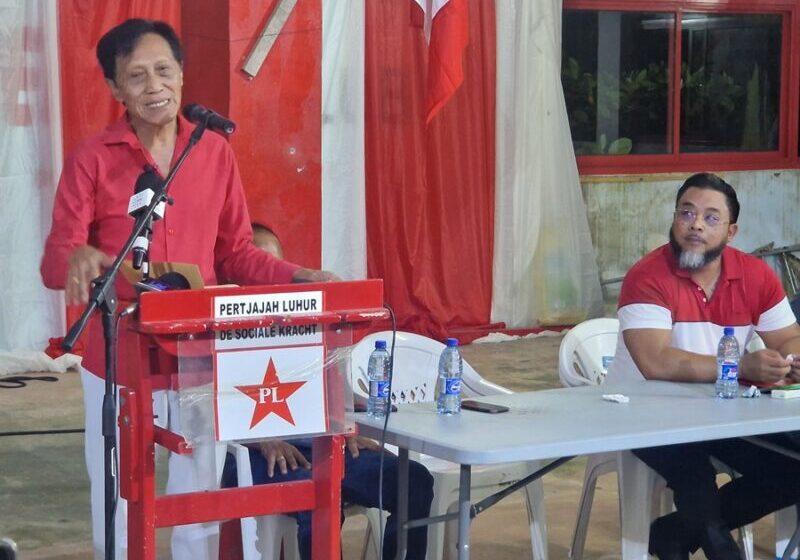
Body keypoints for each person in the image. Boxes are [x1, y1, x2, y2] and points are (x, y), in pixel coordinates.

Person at [40, 19, 334, 560]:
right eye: (137, 76)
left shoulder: (213, 151)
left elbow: (236, 253)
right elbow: (56, 262)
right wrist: (76, 256)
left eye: (164, 70)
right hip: (118, 359)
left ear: (181, 75)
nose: (154, 85)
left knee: (198, 506)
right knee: (117, 503)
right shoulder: (93, 158)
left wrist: (299, 276)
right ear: (115, 88)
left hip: (198, 353)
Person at [607, 172, 800, 559]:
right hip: (642, 413)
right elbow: (656, 362)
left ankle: (672, 534)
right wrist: (741, 366)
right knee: (696, 478)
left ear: (731, 231)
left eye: (711, 218)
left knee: (792, 468)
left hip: (722, 410)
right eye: (686, 213)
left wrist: (792, 361)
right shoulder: (647, 276)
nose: (695, 224)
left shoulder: (755, 275)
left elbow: (788, 338)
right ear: (674, 219)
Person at [218, 224, 434, 560]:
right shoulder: (218, 331)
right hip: (252, 455)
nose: (269, 284)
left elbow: (329, 396)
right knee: (319, 499)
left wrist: (344, 429)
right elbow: (206, 414)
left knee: (414, 481)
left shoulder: (306, 328)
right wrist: (262, 440)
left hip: (321, 447)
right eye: (257, 273)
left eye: (275, 272)